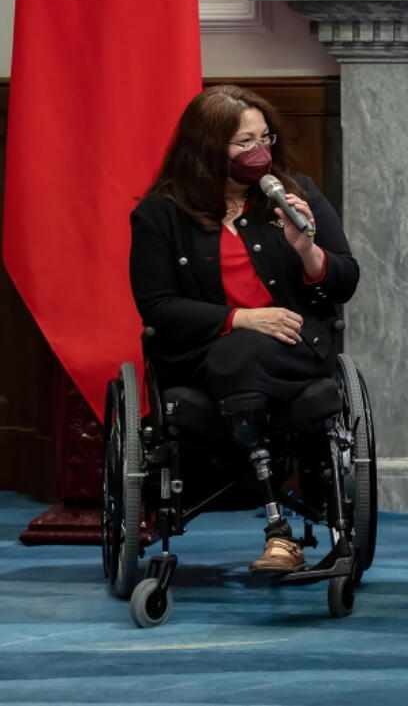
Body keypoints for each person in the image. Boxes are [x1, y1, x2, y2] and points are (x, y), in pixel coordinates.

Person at [129, 85, 359, 575]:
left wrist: (306, 250)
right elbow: (157, 306)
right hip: (205, 356)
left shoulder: (295, 193)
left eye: (265, 138)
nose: (260, 152)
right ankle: (279, 530)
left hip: (296, 348)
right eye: (244, 142)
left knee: (245, 355)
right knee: (237, 353)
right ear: (208, 148)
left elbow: (345, 278)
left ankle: (279, 530)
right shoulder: (161, 214)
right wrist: (241, 318)